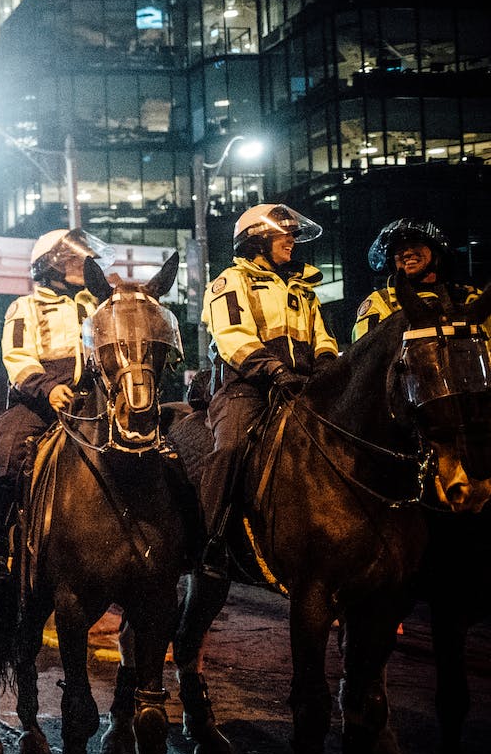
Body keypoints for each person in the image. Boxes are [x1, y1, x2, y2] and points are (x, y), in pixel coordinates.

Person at [198, 204, 339, 574]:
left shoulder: (304, 289)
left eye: (293, 233)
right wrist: (273, 370)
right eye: (283, 234)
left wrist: (326, 368)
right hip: (247, 388)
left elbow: (323, 338)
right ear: (258, 240)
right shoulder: (231, 282)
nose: (291, 240)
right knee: (230, 447)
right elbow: (232, 337)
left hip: (301, 387)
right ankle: (209, 541)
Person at [0, 227, 113, 579]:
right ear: (50, 266)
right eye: (73, 257)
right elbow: (19, 357)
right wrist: (49, 388)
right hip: (39, 402)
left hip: (92, 397)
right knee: (6, 452)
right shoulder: (26, 306)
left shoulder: (96, 305)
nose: (82, 262)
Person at [351, 219, 485, 341]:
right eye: (399, 249)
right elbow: (364, 360)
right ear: (392, 261)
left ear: (436, 252)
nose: (407, 252)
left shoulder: (469, 298)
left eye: (415, 244)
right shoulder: (380, 303)